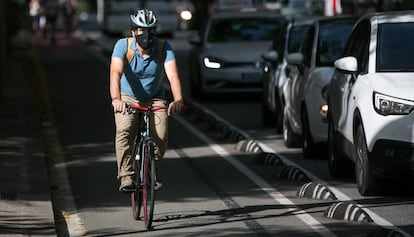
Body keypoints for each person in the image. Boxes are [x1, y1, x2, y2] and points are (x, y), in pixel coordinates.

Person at [110, 9, 185, 192]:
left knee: (161, 135)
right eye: (141, 30)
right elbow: (115, 73)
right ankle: (126, 175)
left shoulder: (162, 47)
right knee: (125, 130)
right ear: (134, 31)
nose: (146, 35)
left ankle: (151, 172)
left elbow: (173, 75)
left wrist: (178, 99)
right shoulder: (123, 46)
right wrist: (116, 99)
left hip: (155, 97)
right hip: (128, 97)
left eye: (150, 30)